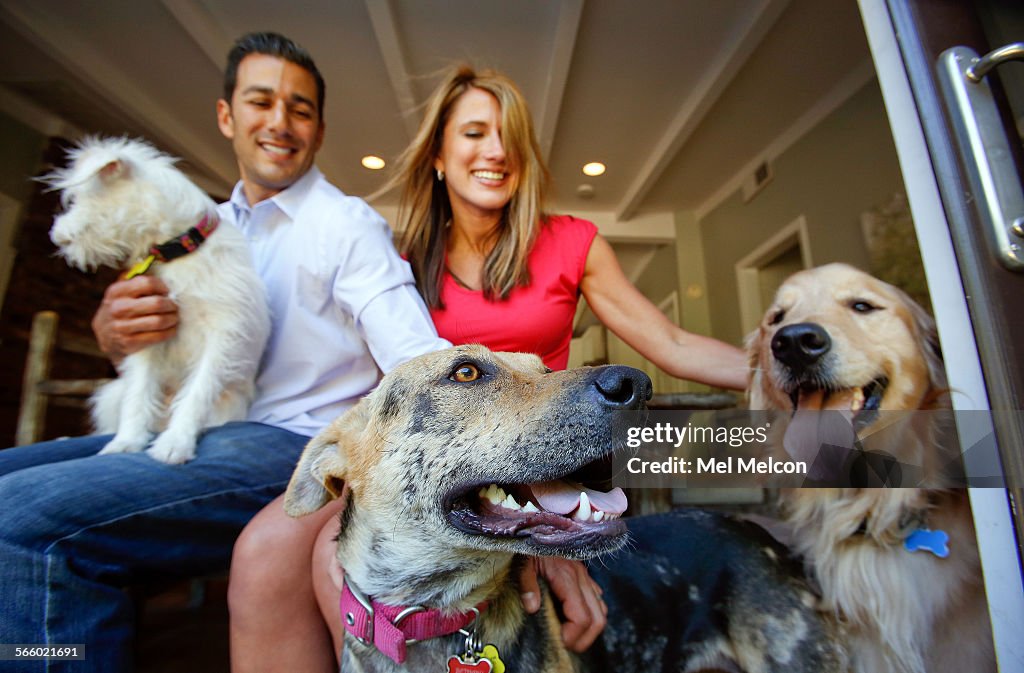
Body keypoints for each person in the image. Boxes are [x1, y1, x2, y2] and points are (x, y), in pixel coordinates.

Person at [228, 65, 749, 671]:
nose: (497, 151)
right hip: (440, 466)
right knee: (281, 552)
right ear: (440, 156)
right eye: (475, 133)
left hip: (550, 444)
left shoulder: (573, 242)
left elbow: (674, 344)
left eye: (511, 138)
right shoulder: (401, 261)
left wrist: (778, 380)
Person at [0, 32, 450, 673]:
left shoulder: (345, 224)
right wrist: (115, 335)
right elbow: (162, 356)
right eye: (261, 101)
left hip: (289, 445)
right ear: (226, 116)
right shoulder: (196, 227)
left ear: (319, 130)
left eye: (300, 109)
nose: (279, 122)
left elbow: (413, 354)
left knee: (20, 520)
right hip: (202, 430)